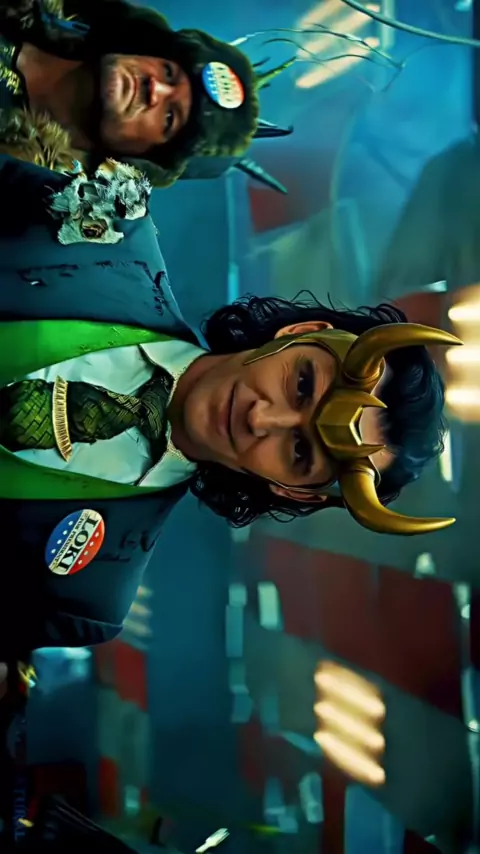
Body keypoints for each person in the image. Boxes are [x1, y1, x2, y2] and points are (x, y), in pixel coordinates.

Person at [0, 152, 460, 672]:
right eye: (301, 385)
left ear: (292, 490)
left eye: (299, 450)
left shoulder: (86, 597)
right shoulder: (110, 228)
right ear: (301, 334)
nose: (262, 419)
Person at [0, 0, 293, 186]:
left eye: (169, 117)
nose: (156, 88)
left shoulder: (17, 194)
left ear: (144, 157)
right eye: (169, 72)